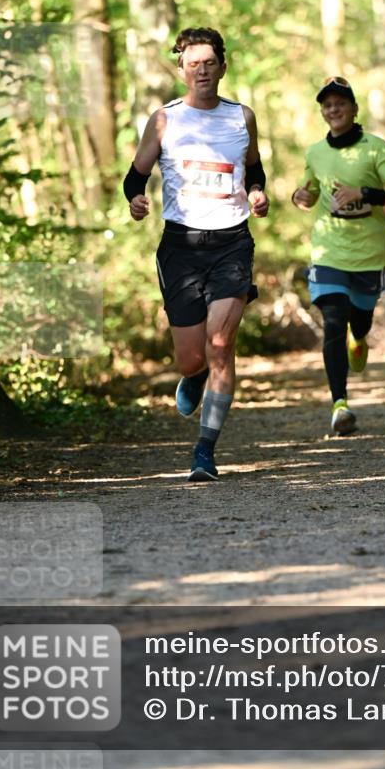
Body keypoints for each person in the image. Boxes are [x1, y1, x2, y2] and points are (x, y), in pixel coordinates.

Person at [123, 27, 269, 481]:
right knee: (192, 358)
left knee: (222, 344)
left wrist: (260, 193)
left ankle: (205, 450)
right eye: (193, 64)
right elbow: (135, 175)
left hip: (232, 242)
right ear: (181, 69)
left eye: (209, 63)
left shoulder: (242, 117)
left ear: (223, 67)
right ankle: (194, 373)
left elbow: (255, 169)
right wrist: (135, 199)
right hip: (181, 247)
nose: (201, 71)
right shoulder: (164, 120)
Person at [292, 76, 385, 435]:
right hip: (328, 249)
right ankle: (339, 405)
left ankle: (359, 339)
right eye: (327, 105)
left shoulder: (376, 149)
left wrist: (366, 193)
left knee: (359, 320)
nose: (333, 109)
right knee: (332, 320)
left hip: (369, 252)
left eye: (339, 103)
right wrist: (302, 197)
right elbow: (310, 192)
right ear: (322, 112)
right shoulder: (315, 152)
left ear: (353, 108)